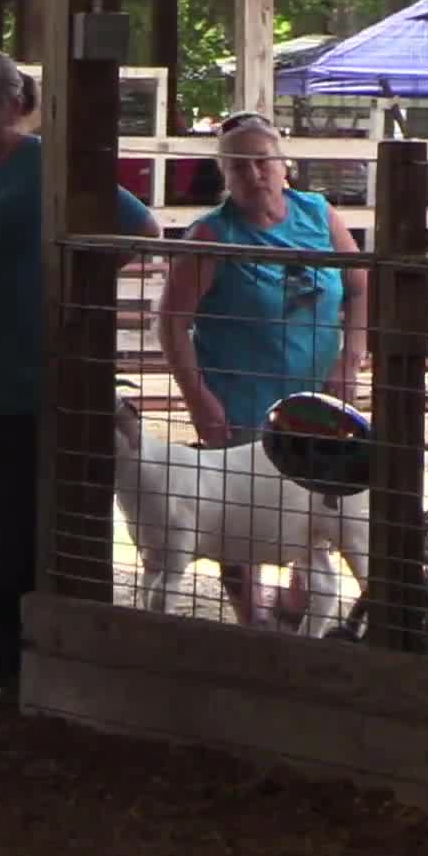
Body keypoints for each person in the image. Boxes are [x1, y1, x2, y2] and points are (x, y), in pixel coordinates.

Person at [0, 48, 159, 714]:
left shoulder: (47, 167)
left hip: (12, 384)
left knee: (11, 541)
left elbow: (140, 227)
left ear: (18, 104)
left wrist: (73, 292)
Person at [155, 109, 367, 625]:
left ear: (283, 164)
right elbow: (172, 320)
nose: (254, 174)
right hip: (241, 391)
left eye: (262, 161)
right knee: (236, 505)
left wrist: (351, 355)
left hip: (318, 389)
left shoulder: (319, 214)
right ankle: (251, 615)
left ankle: (300, 604)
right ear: (224, 176)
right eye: (239, 166)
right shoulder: (212, 235)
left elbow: (360, 286)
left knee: (321, 492)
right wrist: (196, 394)